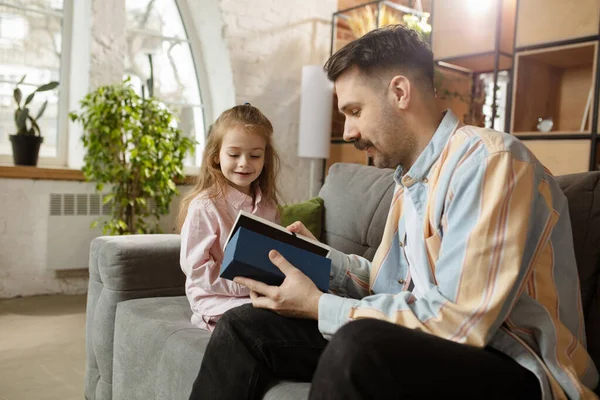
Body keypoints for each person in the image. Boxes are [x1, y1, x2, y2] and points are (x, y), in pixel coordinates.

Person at [189, 25, 599, 400]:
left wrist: (319, 306)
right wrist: (319, 259)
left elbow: (462, 323)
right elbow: (384, 287)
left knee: (357, 345)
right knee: (245, 325)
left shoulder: (491, 162)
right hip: (430, 345)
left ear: (400, 93)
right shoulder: (408, 184)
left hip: (514, 364)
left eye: (353, 111)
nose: (348, 132)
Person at [178, 104, 281, 332]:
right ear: (216, 157)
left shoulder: (268, 206)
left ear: (265, 159)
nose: (244, 162)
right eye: (234, 154)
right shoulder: (205, 207)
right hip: (215, 297)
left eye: (255, 155)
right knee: (260, 321)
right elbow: (196, 268)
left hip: (258, 293)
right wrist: (245, 287)